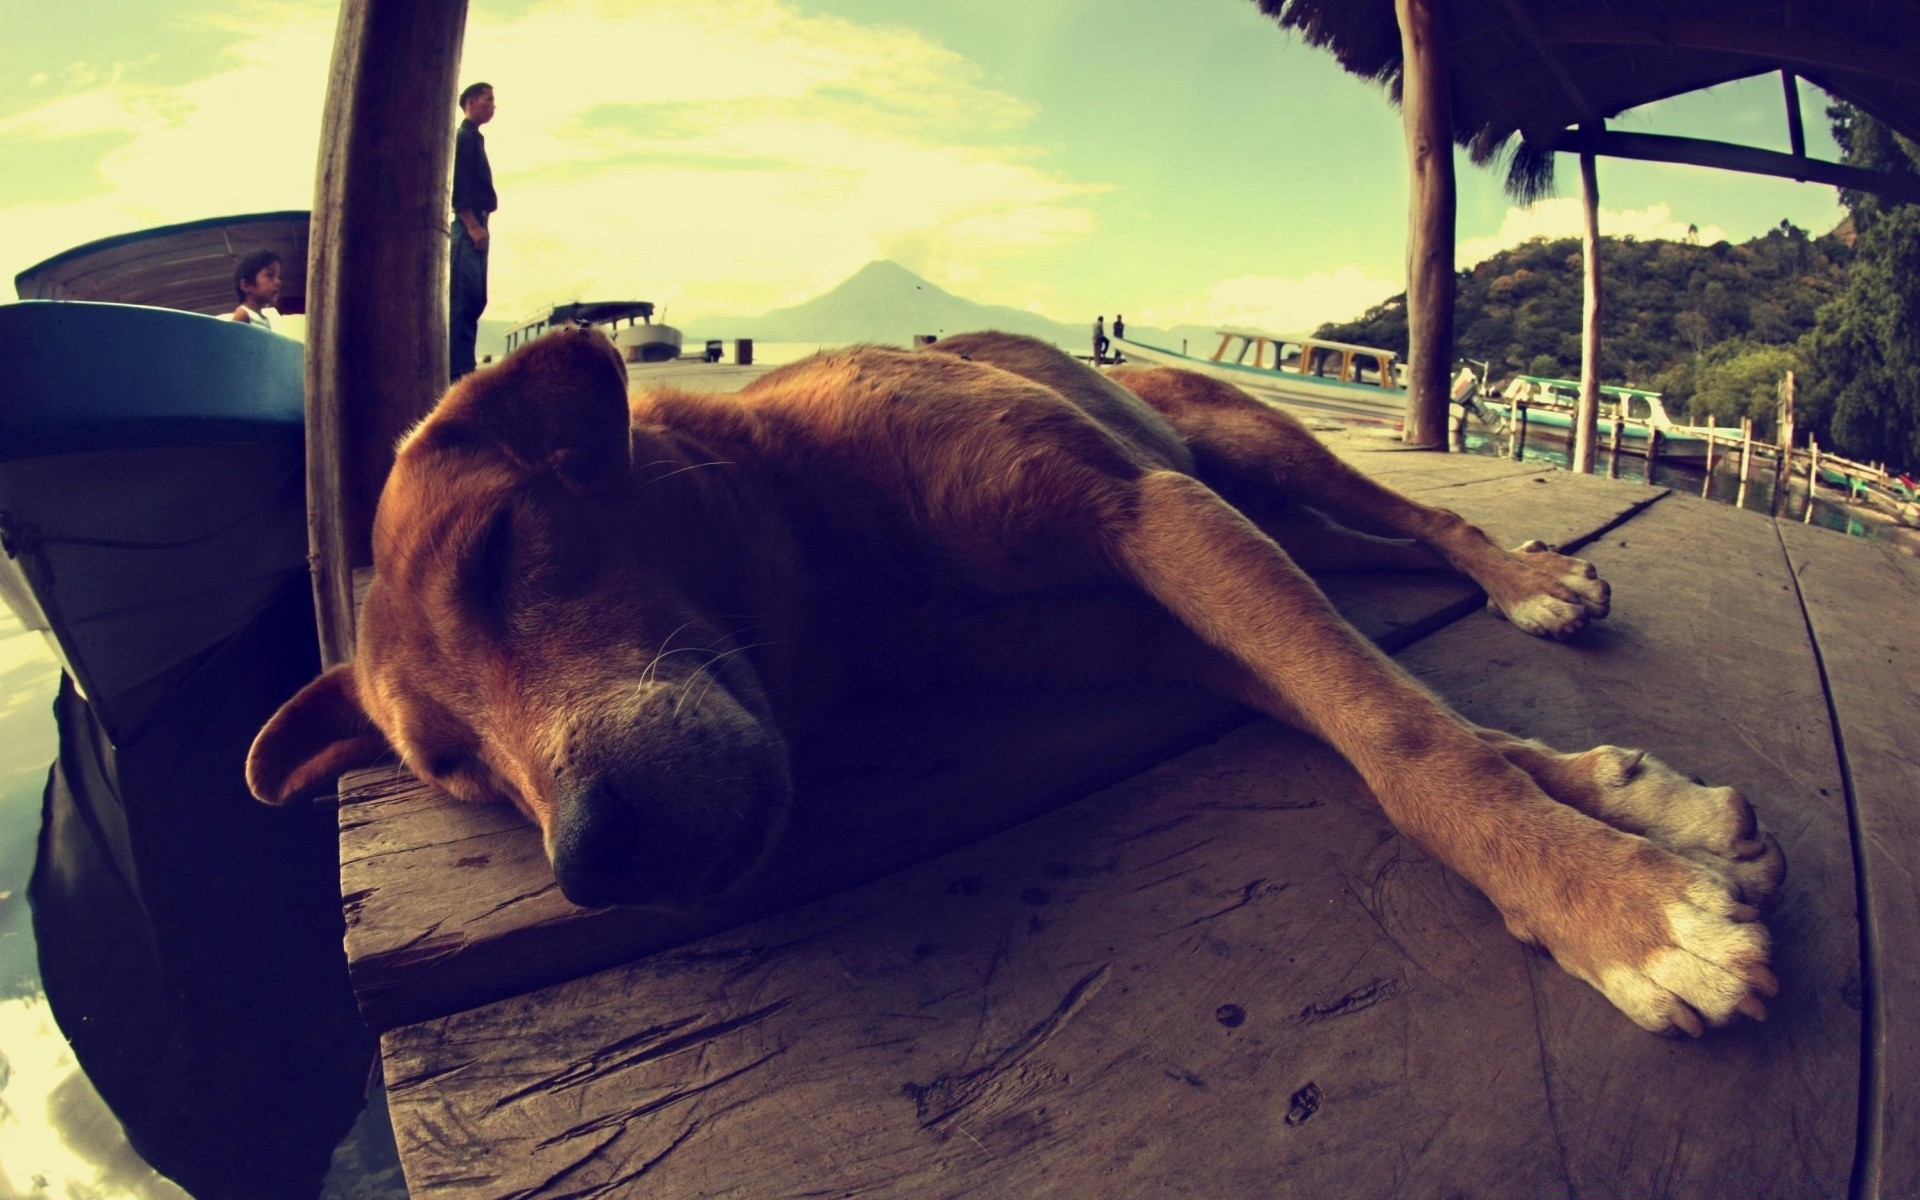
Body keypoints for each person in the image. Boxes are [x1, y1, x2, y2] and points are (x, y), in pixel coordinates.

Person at [450, 81, 498, 380]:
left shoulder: (475, 139)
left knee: (477, 298)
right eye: (488, 99)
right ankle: (459, 370)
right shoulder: (464, 138)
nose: (493, 105)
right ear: (471, 103)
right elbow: (460, 187)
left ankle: (464, 364)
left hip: (479, 223)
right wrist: (471, 225)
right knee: (464, 299)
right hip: (469, 224)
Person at [228, 251, 282, 330]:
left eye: (277, 276)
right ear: (246, 286)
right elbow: (231, 340)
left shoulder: (265, 320)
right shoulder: (243, 314)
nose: (278, 282)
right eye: (270, 275)